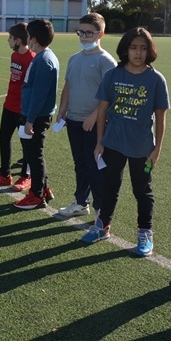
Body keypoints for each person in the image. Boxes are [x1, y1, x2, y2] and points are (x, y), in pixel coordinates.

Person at [81, 27, 170, 258]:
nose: (138, 53)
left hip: (142, 148)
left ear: (149, 51)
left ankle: (145, 232)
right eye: (133, 48)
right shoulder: (113, 75)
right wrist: (100, 142)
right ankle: (103, 226)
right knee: (109, 187)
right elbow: (102, 110)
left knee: (142, 191)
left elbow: (161, 117)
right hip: (113, 144)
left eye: (143, 48)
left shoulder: (156, 79)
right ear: (125, 50)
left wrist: (157, 149)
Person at [56, 13, 117, 218]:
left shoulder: (106, 61)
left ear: (101, 34)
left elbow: (111, 95)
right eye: (81, 32)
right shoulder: (74, 59)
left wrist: (94, 116)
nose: (83, 36)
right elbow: (68, 87)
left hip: (94, 124)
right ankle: (81, 203)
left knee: (95, 167)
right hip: (73, 120)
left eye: (89, 33)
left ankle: (101, 210)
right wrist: (62, 110)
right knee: (80, 164)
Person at [0, 22, 35, 190]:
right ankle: (5, 174)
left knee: (26, 143)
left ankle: (26, 176)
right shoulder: (14, 56)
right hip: (9, 106)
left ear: (18, 40)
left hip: (23, 109)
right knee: (4, 138)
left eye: (10, 38)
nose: (8, 40)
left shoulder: (32, 58)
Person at [14, 19, 59, 209]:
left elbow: (39, 95)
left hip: (36, 116)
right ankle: (43, 189)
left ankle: (37, 195)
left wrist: (30, 120)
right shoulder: (43, 57)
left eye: (28, 36)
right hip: (35, 115)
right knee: (34, 154)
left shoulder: (43, 60)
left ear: (33, 39)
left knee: (34, 156)